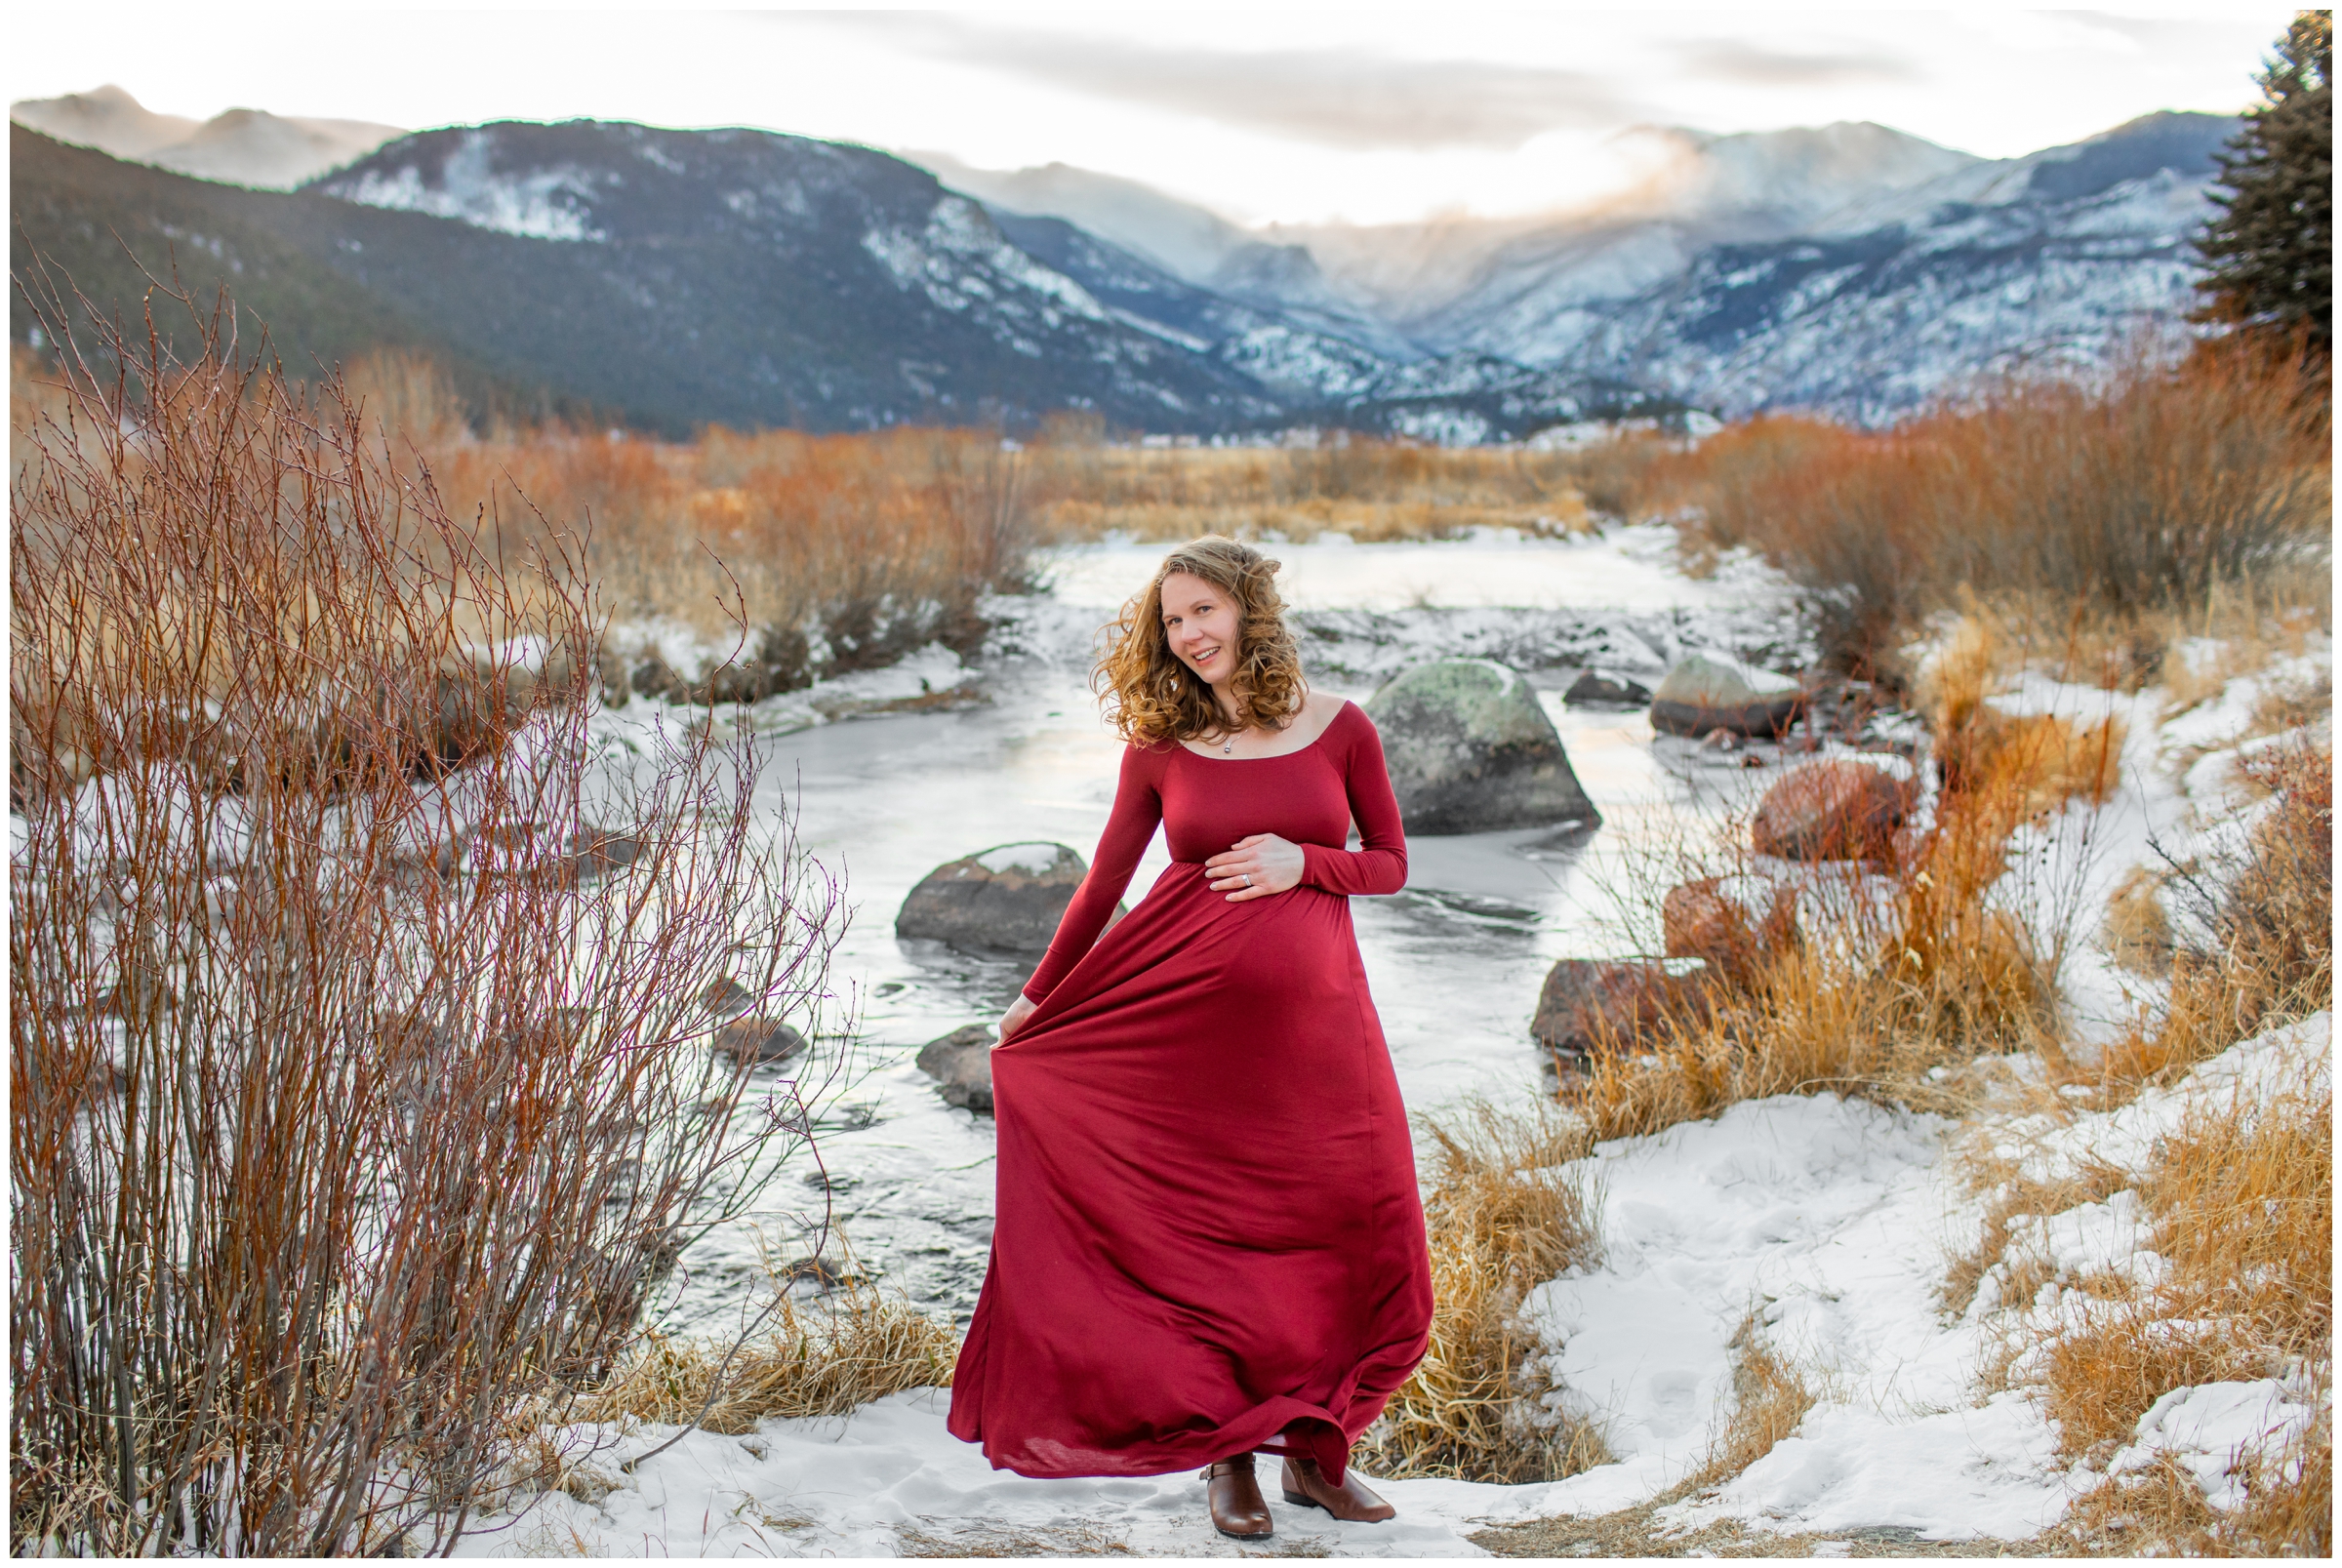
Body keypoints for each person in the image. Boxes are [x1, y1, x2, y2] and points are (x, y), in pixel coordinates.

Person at [946, 535, 1434, 1541]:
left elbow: (1388, 862)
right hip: (1192, 1041)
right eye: (1173, 620)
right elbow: (1103, 882)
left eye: (1204, 609)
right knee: (1211, 1248)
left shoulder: (1343, 728)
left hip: (1322, 1040)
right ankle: (1229, 1454)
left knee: (1350, 1225)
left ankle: (1316, 1449)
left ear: (1250, 608)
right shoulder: (1161, 750)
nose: (1190, 633)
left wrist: (1306, 863)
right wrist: (1041, 999)